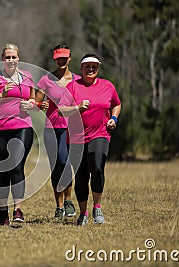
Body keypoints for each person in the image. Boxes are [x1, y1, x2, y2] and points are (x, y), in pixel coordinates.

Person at [59, 54, 121, 226]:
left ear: (98, 68)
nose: (91, 69)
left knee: (97, 166)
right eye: (87, 66)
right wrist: (77, 107)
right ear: (81, 69)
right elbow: (60, 111)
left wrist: (114, 119)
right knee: (81, 176)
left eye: (94, 66)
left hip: (100, 134)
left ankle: (97, 207)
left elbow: (116, 104)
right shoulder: (72, 87)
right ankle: (83, 212)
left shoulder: (107, 86)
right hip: (77, 138)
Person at [0, 43, 35, 226]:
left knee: (18, 166)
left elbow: (33, 100)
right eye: (7, 57)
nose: (11, 60)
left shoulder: (27, 77)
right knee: (3, 170)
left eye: (13, 57)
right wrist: (1, 95)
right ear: (2, 59)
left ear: (18, 58)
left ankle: (18, 209)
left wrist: (32, 105)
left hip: (22, 126)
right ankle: (3, 210)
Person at [35, 45, 81, 220]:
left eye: (65, 58)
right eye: (58, 58)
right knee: (56, 166)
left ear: (70, 58)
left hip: (71, 128)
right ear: (54, 59)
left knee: (66, 162)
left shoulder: (77, 80)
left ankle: (69, 201)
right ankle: (59, 206)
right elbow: (35, 101)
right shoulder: (46, 80)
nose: (61, 61)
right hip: (51, 128)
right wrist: (41, 105)